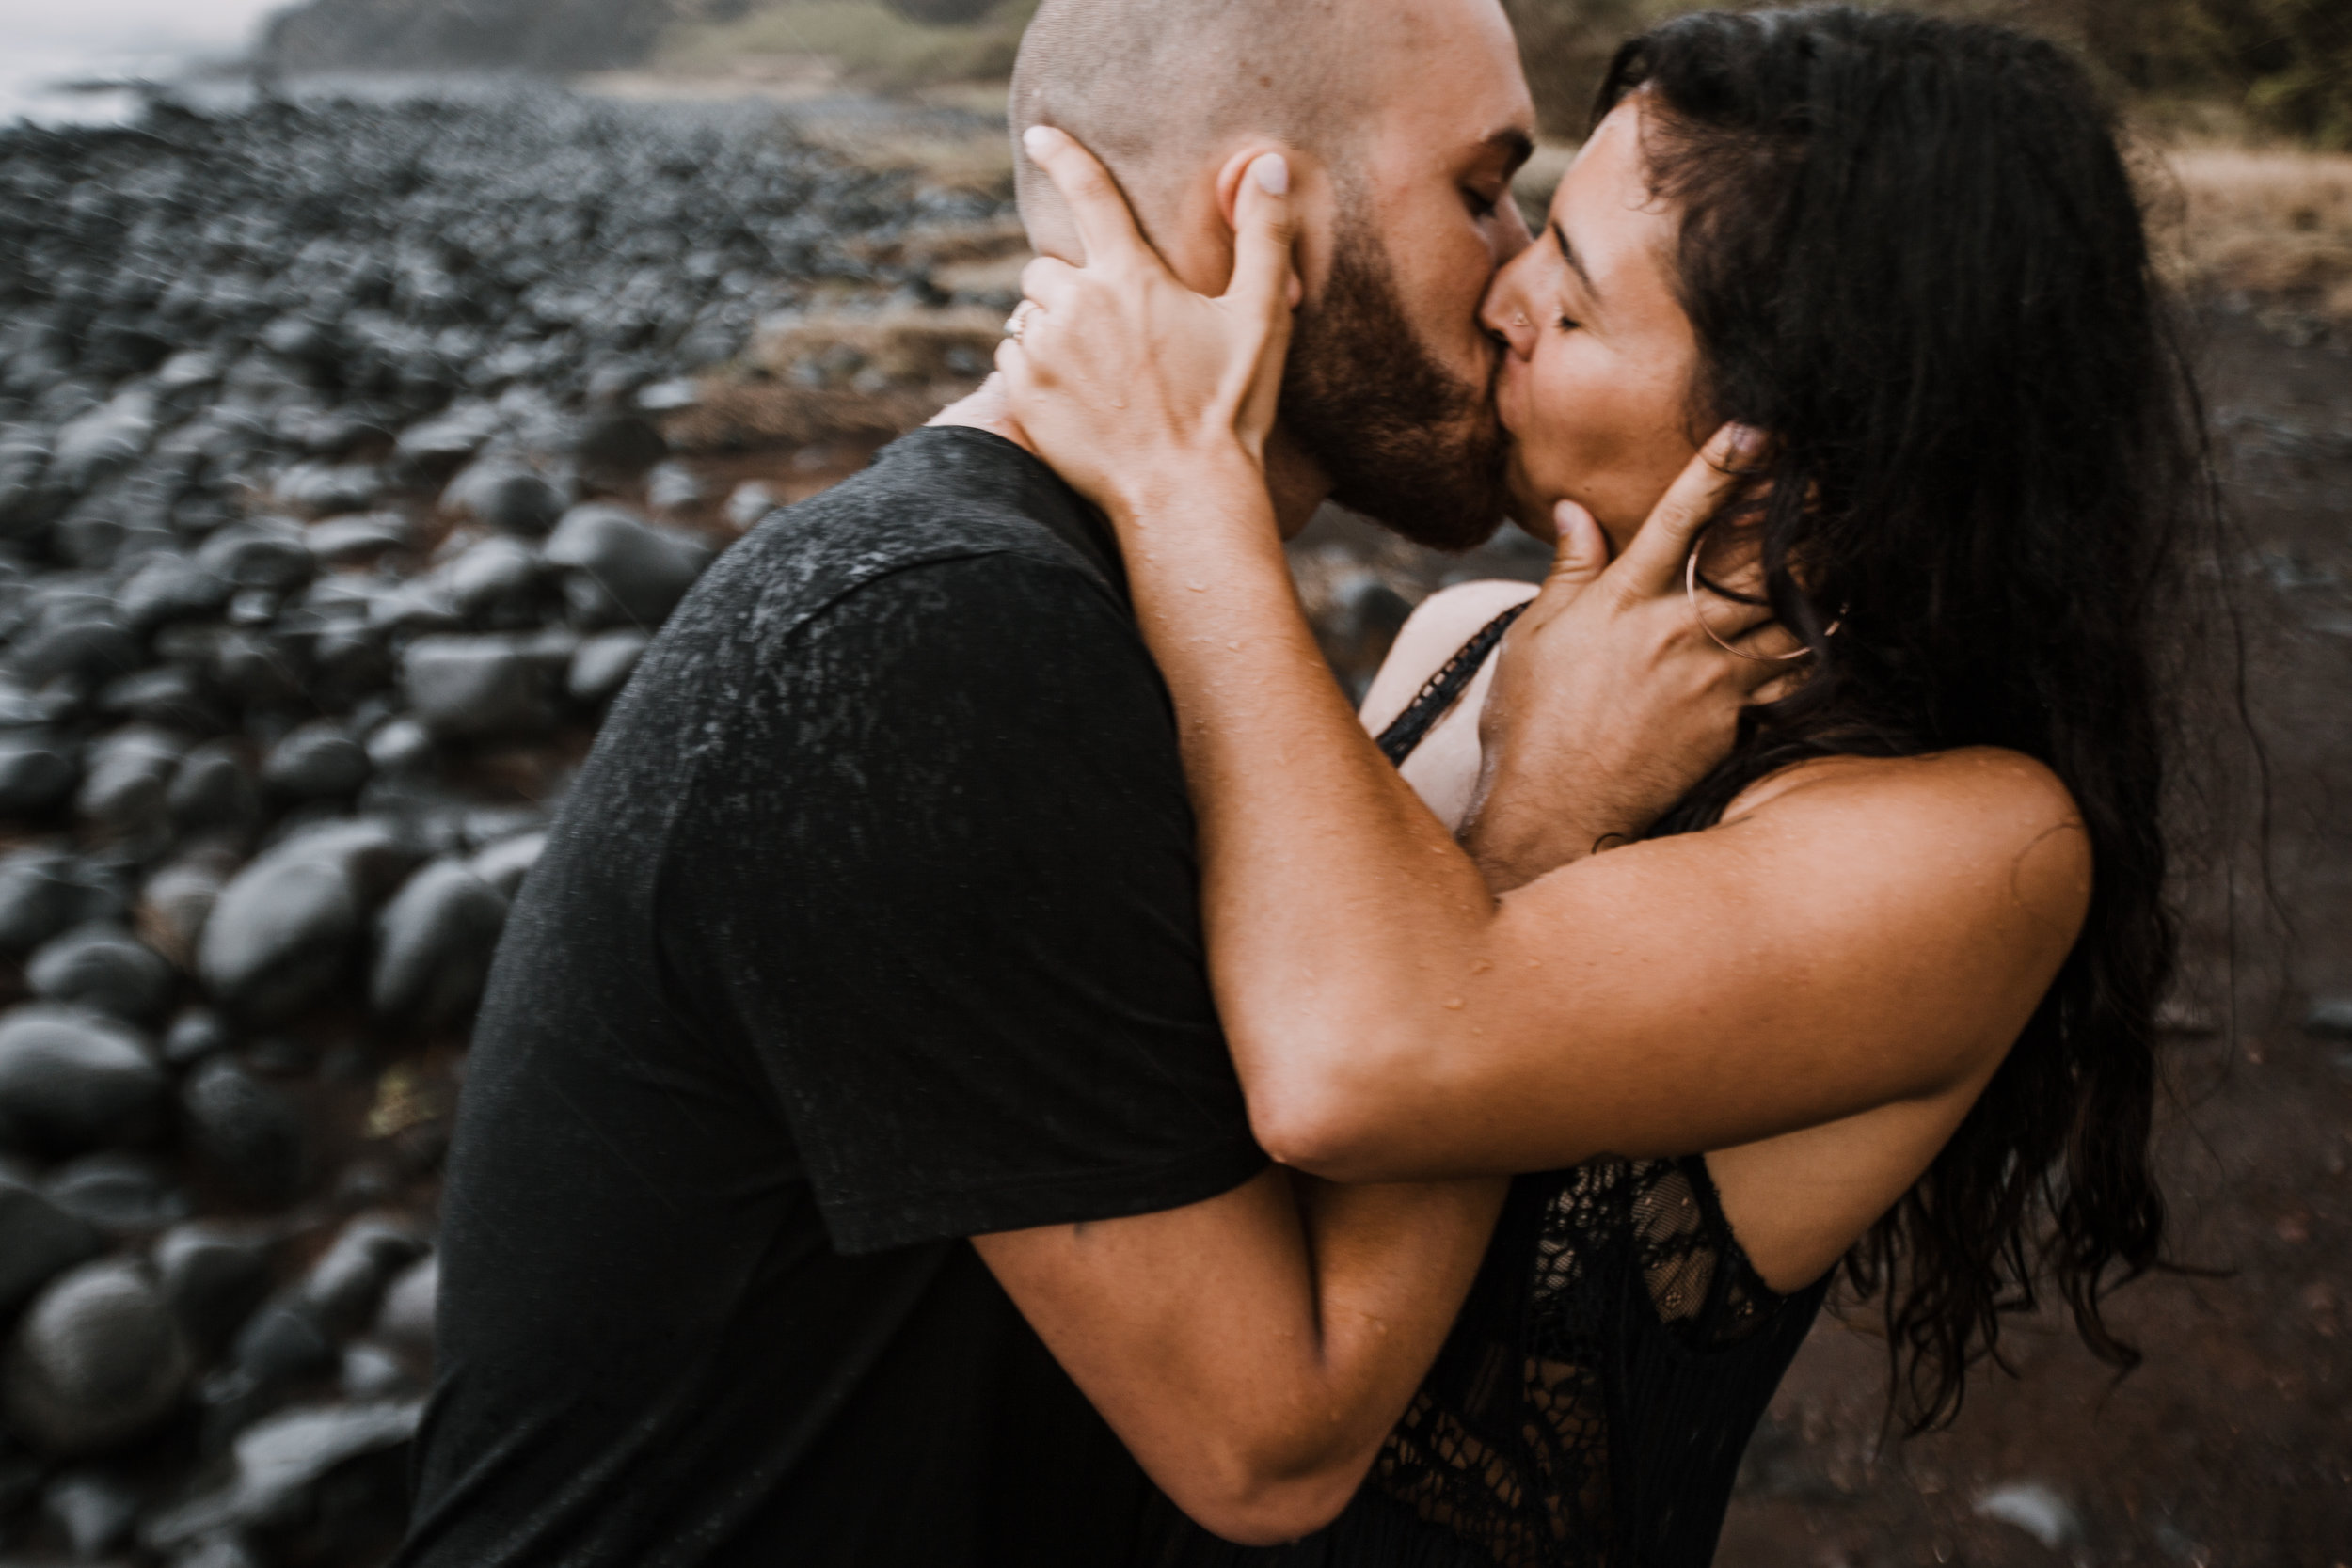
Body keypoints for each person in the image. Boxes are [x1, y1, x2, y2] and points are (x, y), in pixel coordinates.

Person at [394, 2, 1639, 1562]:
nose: (1524, 272)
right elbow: (1277, 1442)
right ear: (1256, 218)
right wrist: (1542, 825)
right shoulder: (937, 639)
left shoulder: (1101, 600)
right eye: (1479, 190)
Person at [997, 7, 2209, 1564]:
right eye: (1523, 234)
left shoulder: (1969, 849)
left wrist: (1185, 485)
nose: (1498, 300)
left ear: (1807, 451)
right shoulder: (1461, 637)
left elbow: (1351, 1069)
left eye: (1567, 307)